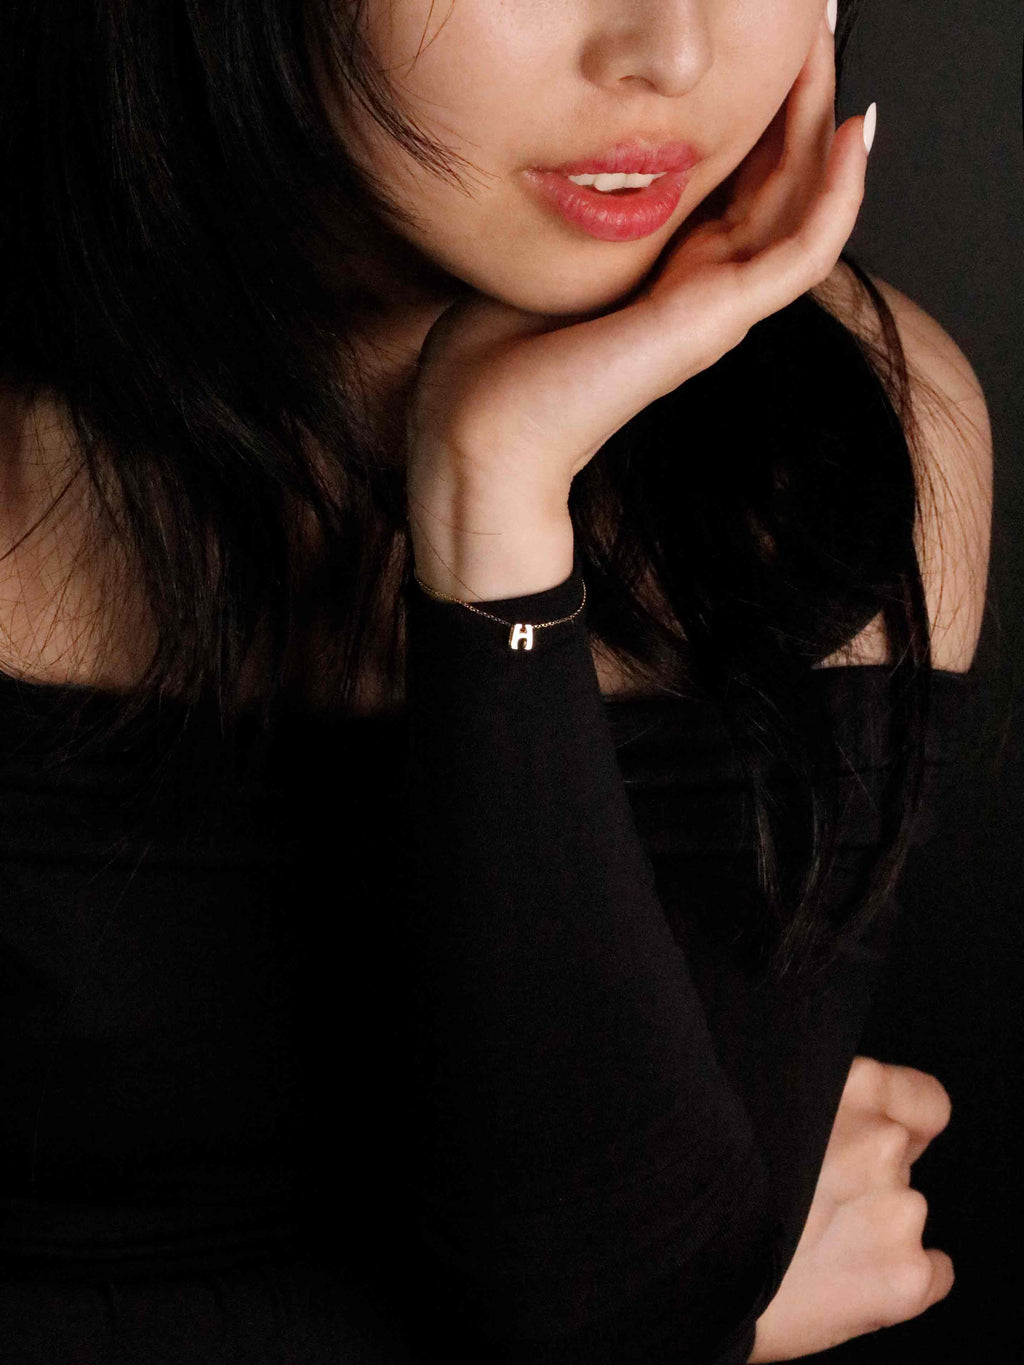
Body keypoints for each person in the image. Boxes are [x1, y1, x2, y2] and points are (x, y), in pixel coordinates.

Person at [0, 1, 992, 1362]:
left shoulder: (850, 440)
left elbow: (614, 1300)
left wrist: (494, 508)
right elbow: (651, 1322)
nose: (671, 55)